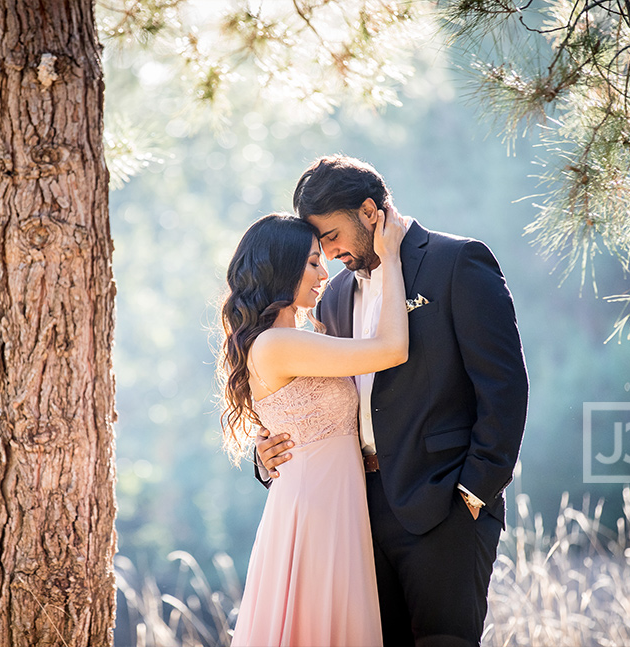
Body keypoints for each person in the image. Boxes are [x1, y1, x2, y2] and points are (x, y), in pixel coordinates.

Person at [256, 155, 528, 647]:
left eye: (332, 236)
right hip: (355, 513)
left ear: (368, 211)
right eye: (320, 246)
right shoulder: (333, 296)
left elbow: (504, 388)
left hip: (444, 507)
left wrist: (473, 492)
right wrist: (268, 454)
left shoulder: (457, 262)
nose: (330, 253)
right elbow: (307, 396)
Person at [217, 209, 408, 646]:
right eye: (312, 262)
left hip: (330, 498)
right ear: (281, 268)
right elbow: (393, 348)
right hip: (316, 507)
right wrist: (391, 259)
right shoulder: (278, 345)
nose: (325, 273)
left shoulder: (301, 337)